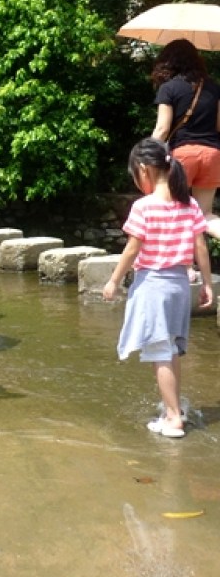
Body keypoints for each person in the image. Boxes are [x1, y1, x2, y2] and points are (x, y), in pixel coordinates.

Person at [102, 138, 212, 438]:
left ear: (143, 169)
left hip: (154, 286)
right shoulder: (188, 203)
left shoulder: (144, 206)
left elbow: (131, 249)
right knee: (170, 349)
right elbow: (200, 246)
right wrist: (206, 283)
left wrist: (113, 280)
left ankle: (174, 418)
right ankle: (172, 408)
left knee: (159, 351)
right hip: (179, 285)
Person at [151, 38, 220, 238]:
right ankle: (190, 267)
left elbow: (162, 129)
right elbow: (218, 126)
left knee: (172, 211)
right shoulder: (214, 88)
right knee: (204, 215)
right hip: (212, 154)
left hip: (183, 154)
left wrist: (146, 154)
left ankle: (182, 268)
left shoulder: (169, 88)